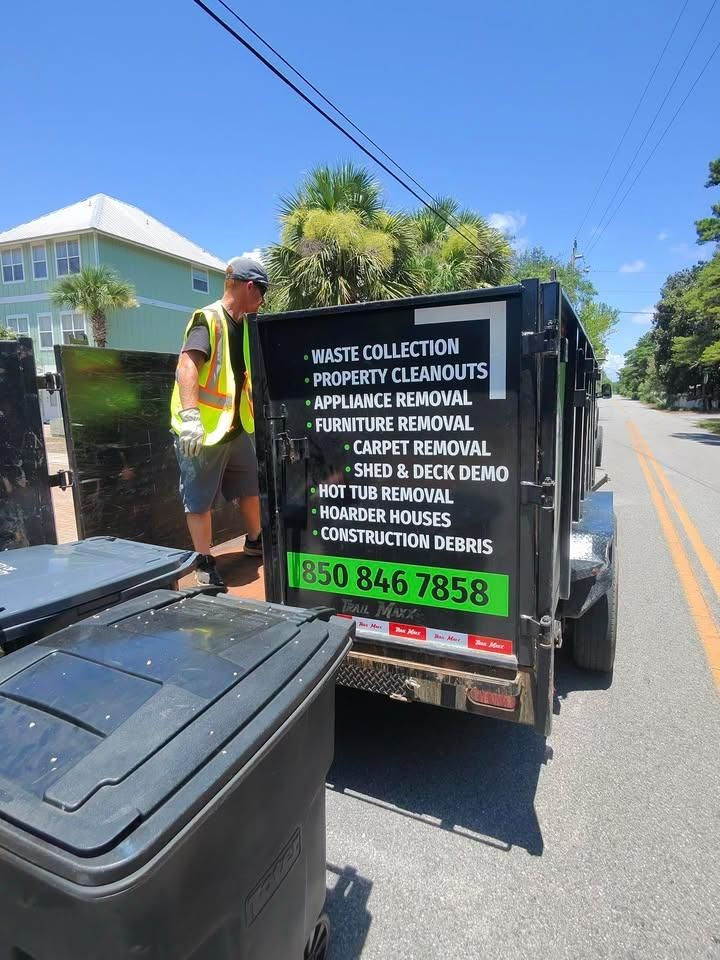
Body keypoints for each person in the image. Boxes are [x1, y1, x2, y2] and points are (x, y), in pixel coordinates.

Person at [170, 256, 268, 587]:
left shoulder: (245, 324)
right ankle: (204, 560)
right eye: (262, 292)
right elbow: (187, 366)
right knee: (199, 499)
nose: (263, 300)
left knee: (251, 486)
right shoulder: (208, 320)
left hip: (235, 426)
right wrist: (191, 417)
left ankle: (255, 540)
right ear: (250, 287)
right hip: (204, 431)